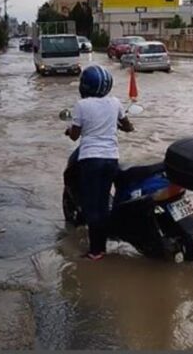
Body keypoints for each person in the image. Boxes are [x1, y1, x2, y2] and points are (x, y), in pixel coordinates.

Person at [65, 64, 134, 261]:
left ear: (85, 86)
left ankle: (96, 251)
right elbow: (127, 126)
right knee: (103, 203)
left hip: (90, 160)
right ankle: (102, 245)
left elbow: (75, 135)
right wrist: (125, 126)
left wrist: (69, 131)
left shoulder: (82, 106)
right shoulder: (115, 103)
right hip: (111, 159)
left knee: (91, 206)